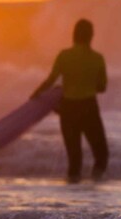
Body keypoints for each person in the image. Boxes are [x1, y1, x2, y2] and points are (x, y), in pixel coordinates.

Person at [32, 19, 109, 183]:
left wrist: (36, 94)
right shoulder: (97, 58)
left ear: (74, 35)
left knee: (74, 158)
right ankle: (96, 186)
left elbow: (50, 81)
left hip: (68, 110)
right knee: (101, 154)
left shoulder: (64, 55)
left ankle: (74, 197)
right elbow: (102, 88)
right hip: (89, 108)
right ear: (91, 36)